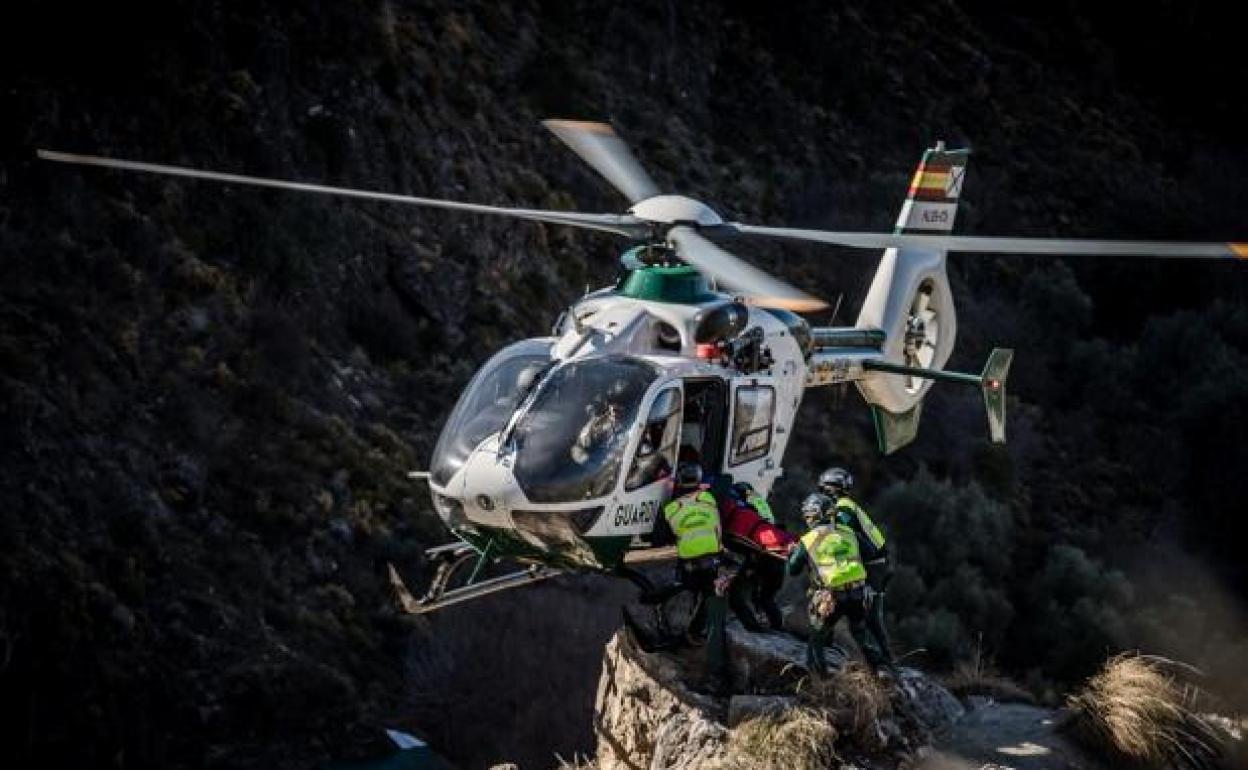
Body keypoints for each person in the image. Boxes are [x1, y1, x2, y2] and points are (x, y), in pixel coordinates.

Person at [651, 462, 736, 694]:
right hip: (714, 567)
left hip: (689, 571)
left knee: (685, 592)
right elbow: (727, 478)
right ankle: (714, 675)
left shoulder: (670, 508)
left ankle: (685, 633)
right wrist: (706, 483)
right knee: (715, 619)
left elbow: (657, 539)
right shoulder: (709, 498)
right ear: (699, 483)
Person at [787, 493, 885, 676]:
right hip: (858, 592)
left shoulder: (808, 540)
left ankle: (821, 680)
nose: (807, 518)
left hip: (830, 597)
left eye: (809, 515)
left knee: (817, 637)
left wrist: (792, 554)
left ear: (815, 516)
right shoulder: (848, 532)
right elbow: (870, 552)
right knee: (859, 633)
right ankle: (881, 667)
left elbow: (792, 570)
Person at [818, 467, 895, 668]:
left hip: (873, 566)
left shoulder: (842, 510)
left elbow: (850, 538)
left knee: (867, 616)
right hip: (880, 564)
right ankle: (885, 659)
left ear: (831, 490)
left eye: (824, 489)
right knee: (866, 612)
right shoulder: (848, 505)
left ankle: (885, 662)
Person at [721, 483, 791, 630]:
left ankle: (754, 626)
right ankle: (776, 625)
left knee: (737, 595)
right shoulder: (760, 502)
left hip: (761, 553)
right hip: (774, 551)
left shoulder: (746, 507)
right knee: (765, 596)